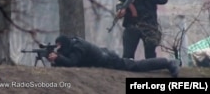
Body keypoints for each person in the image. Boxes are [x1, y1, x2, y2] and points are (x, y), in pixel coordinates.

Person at [48, 35, 180, 78]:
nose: (59, 50)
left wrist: (57, 58)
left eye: (60, 47)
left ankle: (167, 62)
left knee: (136, 66)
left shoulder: (77, 47)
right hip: (105, 55)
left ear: (65, 45)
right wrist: (57, 60)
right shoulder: (73, 44)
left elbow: (72, 62)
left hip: (109, 60)